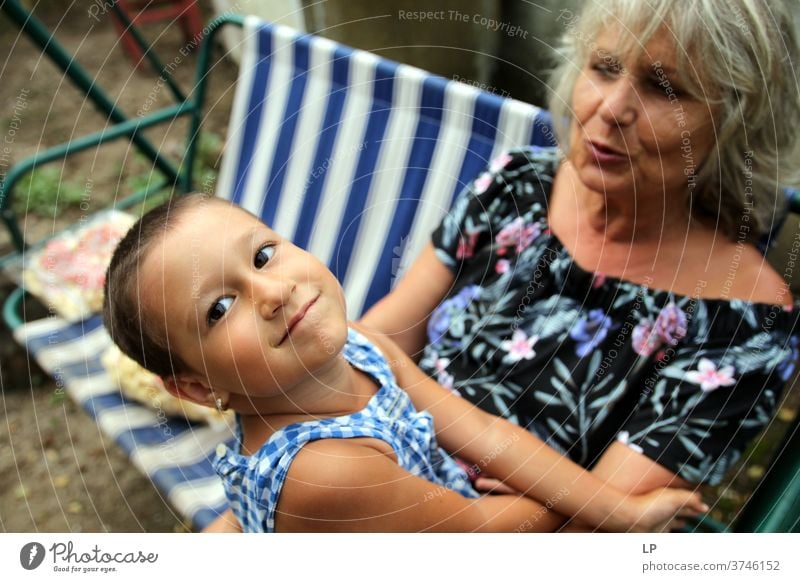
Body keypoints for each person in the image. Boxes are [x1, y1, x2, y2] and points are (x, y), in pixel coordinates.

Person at [360, 0, 800, 528]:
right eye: (605, 68)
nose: (611, 108)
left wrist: (403, 397)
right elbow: (372, 344)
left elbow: (578, 533)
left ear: (736, 123)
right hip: (362, 460)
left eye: (665, 88)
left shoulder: (745, 325)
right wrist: (546, 487)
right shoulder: (519, 184)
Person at [102, 194, 707, 532]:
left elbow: (485, 433)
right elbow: (490, 542)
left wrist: (619, 507)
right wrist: (559, 501)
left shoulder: (363, 347)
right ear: (199, 388)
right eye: (219, 308)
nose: (273, 291)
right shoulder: (322, 473)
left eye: (263, 255)